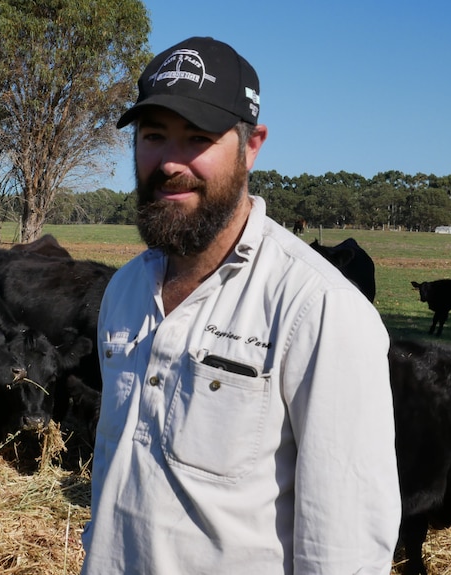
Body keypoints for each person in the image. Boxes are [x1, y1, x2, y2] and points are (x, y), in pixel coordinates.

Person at [80, 37, 402, 574]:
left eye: (198, 137)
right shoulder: (125, 292)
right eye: (154, 135)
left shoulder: (318, 308)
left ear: (252, 145)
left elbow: (344, 551)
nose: (170, 163)